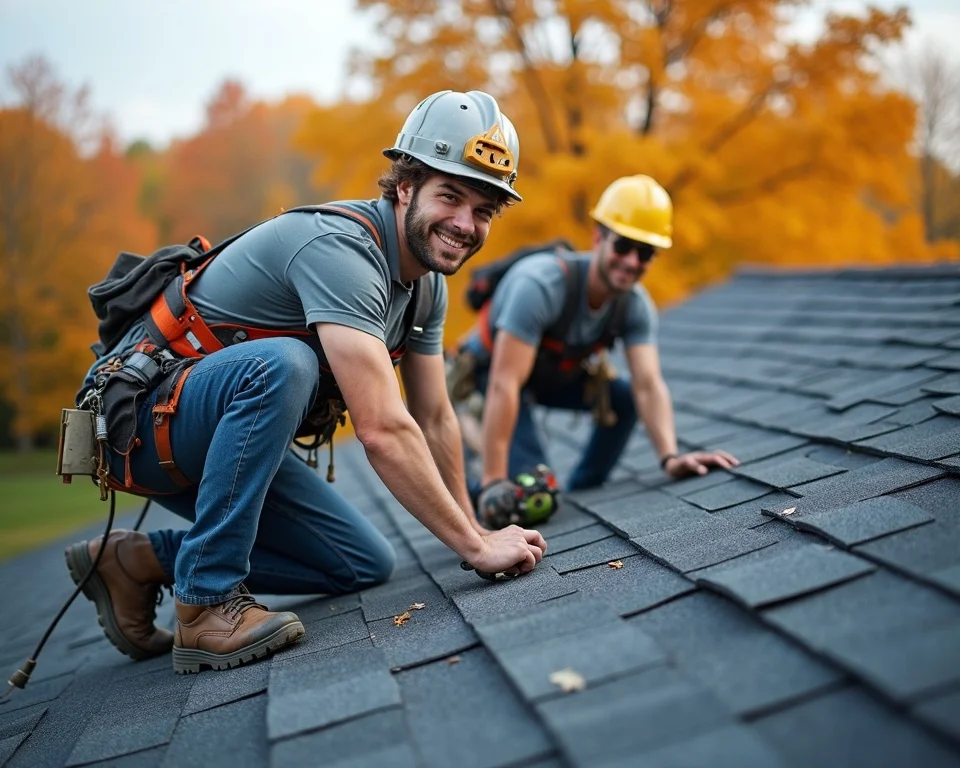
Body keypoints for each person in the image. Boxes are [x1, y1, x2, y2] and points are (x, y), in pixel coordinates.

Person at [65, 89, 547, 675]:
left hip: (214, 435)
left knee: (360, 561)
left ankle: (135, 560)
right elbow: (382, 428)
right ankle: (207, 605)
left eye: (484, 210)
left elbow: (435, 416)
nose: (465, 224)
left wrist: (473, 529)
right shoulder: (342, 252)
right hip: (138, 425)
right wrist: (474, 549)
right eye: (450, 196)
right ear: (404, 186)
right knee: (285, 363)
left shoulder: (425, 285)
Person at [455, 174, 739, 517]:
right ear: (598, 237)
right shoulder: (541, 285)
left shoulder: (634, 305)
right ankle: (470, 488)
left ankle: (584, 493)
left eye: (645, 253)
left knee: (622, 398)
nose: (632, 261)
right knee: (534, 496)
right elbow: (505, 383)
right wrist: (493, 482)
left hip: (547, 379)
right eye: (623, 246)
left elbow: (647, 385)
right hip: (491, 382)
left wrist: (671, 457)